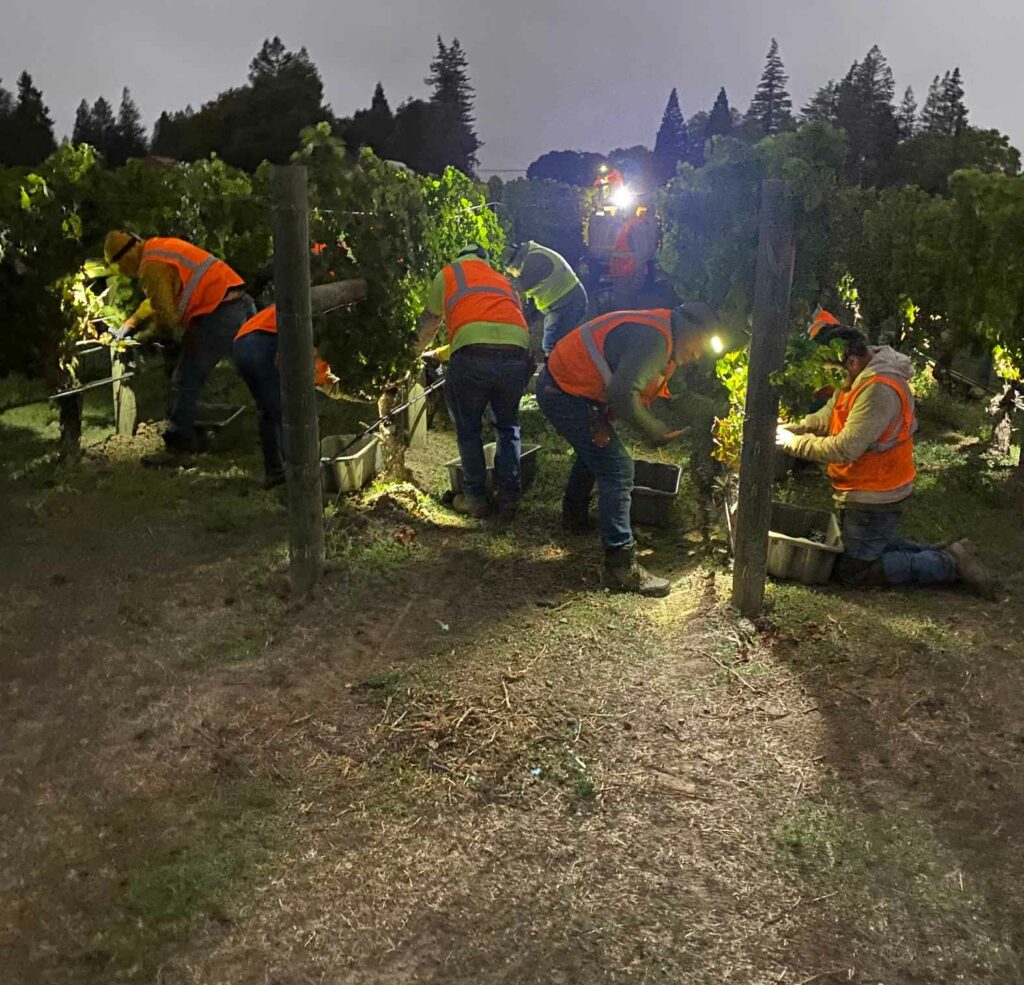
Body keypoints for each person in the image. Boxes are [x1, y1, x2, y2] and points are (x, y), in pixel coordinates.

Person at [776, 315, 994, 596]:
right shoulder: (855, 378)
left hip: (876, 492)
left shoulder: (878, 390)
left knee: (855, 573)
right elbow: (829, 414)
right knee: (865, 548)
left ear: (851, 361)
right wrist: (795, 427)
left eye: (832, 370)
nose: (829, 378)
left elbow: (845, 448)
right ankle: (952, 552)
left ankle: (948, 563)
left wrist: (794, 443)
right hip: (863, 487)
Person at [537, 304, 723, 597]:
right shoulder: (655, 340)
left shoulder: (667, 342)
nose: (698, 355)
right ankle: (620, 567)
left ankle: (573, 518)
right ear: (689, 329)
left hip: (575, 391)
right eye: (701, 344)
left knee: (597, 455)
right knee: (619, 467)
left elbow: (679, 397)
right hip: (563, 391)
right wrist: (654, 431)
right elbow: (622, 394)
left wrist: (722, 412)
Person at [103, 230, 256, 465]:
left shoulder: (150, 267)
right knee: (259, 368)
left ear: (124, 256)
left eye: (117, 266)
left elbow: (167, 315)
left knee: (184, 379)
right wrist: (130, 323)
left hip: (217, 312)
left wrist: (145, 336)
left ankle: (178, 448)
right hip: (239, 302)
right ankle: (284, 425)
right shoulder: (158, 249)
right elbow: (157, 299)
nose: (123, 273)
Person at [417, 243, 531, 518]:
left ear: (458, 256)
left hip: (471, 358)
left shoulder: (449, 274)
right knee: (508, 427)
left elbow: (430, 321)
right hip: (517, 354)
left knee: (469, 430)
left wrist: (414, 353)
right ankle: (508, 499)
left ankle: (476, 499)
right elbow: (497, 326)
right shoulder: (504, 281)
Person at [233, 285, 356, 489]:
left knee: (270, 412)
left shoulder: (326, 313)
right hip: (265, 343)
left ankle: (276, 473)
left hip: (242, 342)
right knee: (288, 412)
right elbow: (318, 374)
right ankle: (303, 482)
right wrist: (359, 392)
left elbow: (322, 378)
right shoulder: (330, 333)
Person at [502, 241, 588, 356]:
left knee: (552, 342)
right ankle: (562, 366)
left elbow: (517, 288)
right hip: (564, 302)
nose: (514, 274)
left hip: (567, 303)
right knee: (560, 340)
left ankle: (555, 368)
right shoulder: (535, 253)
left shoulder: (534, 261)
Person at [608, 211, 658, 309]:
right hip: (623, 273)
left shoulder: (634, 226)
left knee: (626, 310)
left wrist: (638, 277)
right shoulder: (628, 225)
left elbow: (641, 253)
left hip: (628, 274)